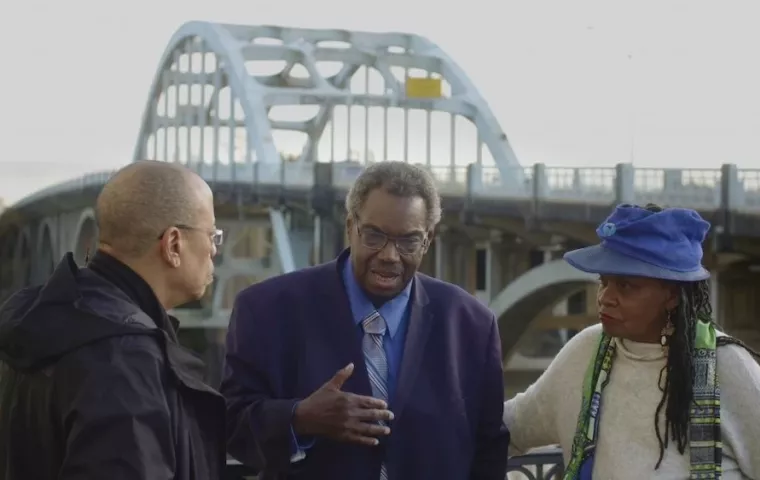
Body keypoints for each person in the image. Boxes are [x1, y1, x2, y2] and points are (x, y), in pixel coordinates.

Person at [221, 161, 510, 480]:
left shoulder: (472, 325)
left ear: (427, 240)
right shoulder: (267, 310)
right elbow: (230, 425)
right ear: (350, 227)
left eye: (408, 241)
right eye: (374, 236)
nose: (389, 255)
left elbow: (490, 451)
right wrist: (299, 418)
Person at [0, 161, 227, 479]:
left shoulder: (45, 320)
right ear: (174, 244)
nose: (214, 250)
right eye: (212, 235)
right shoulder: (125, 358)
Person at [502, 203, 760, 479]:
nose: (605, 297)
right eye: (604, 281)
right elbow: (509, 428)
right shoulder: (585, 352)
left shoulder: (727, 367)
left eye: (626, 286)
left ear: (672, 295)